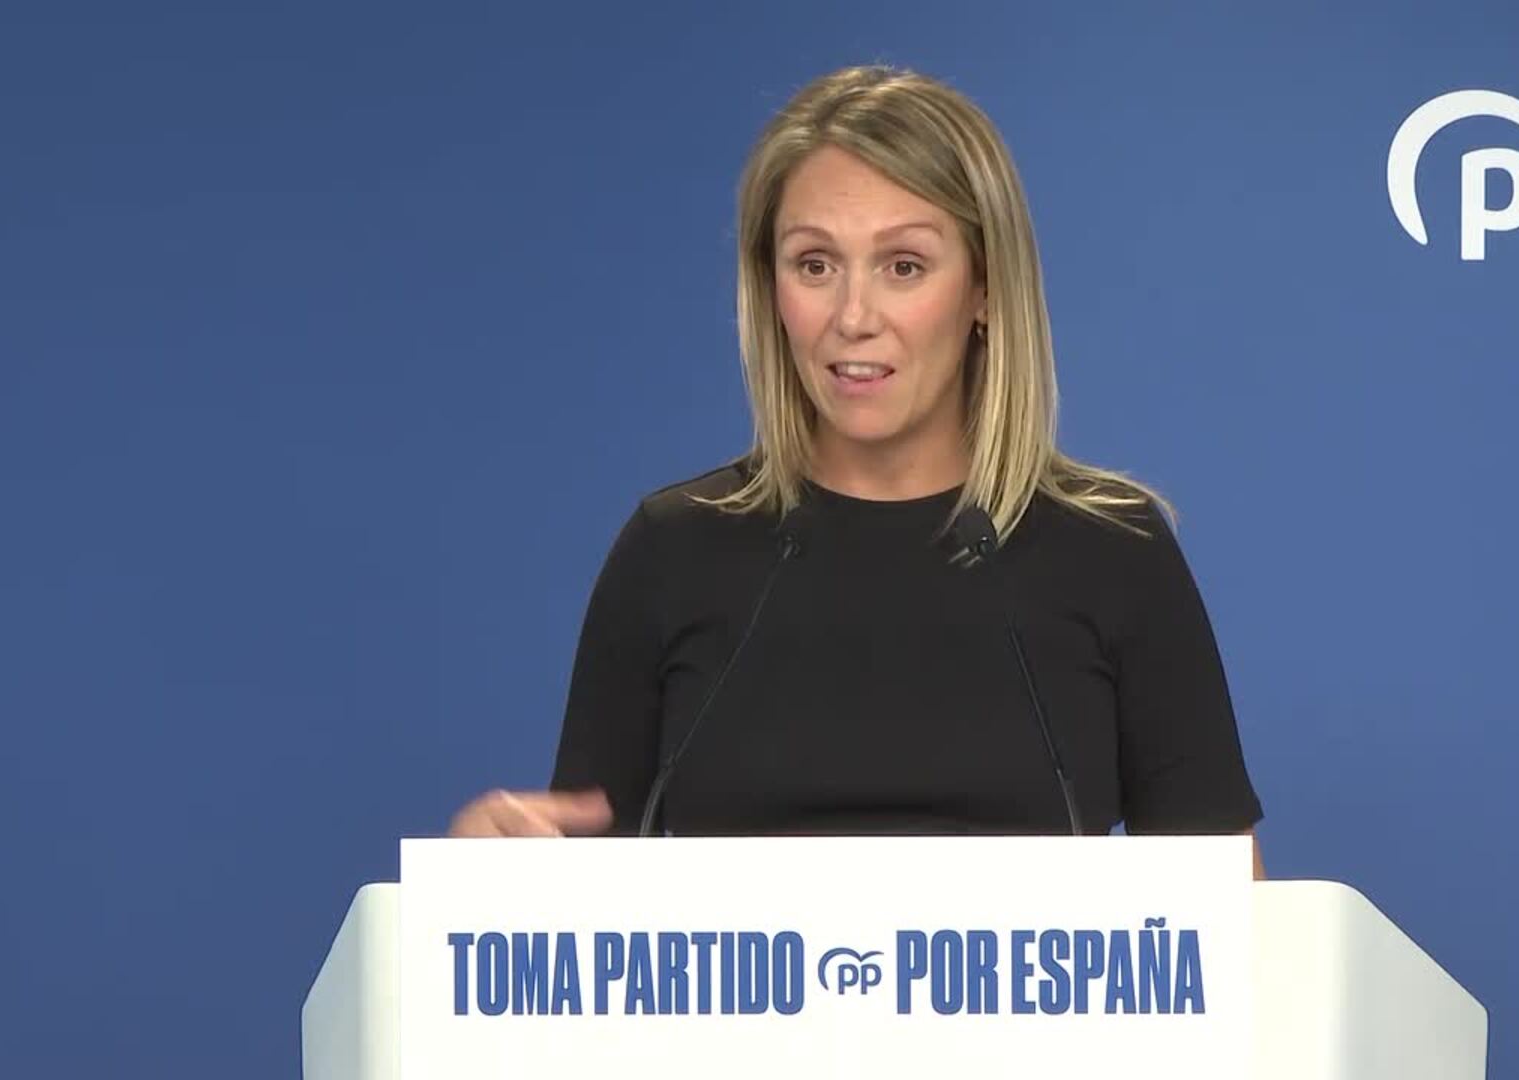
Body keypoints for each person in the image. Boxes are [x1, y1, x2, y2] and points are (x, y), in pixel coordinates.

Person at [450, 64, 1265, 875]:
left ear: (984, 287)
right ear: (769, 288)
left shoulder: (1112, 549)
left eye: (903, 266)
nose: (852, 318)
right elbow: (573, 913)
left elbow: (1241, 920)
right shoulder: (671, 551)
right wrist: (488, 886)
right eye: (814, 265)